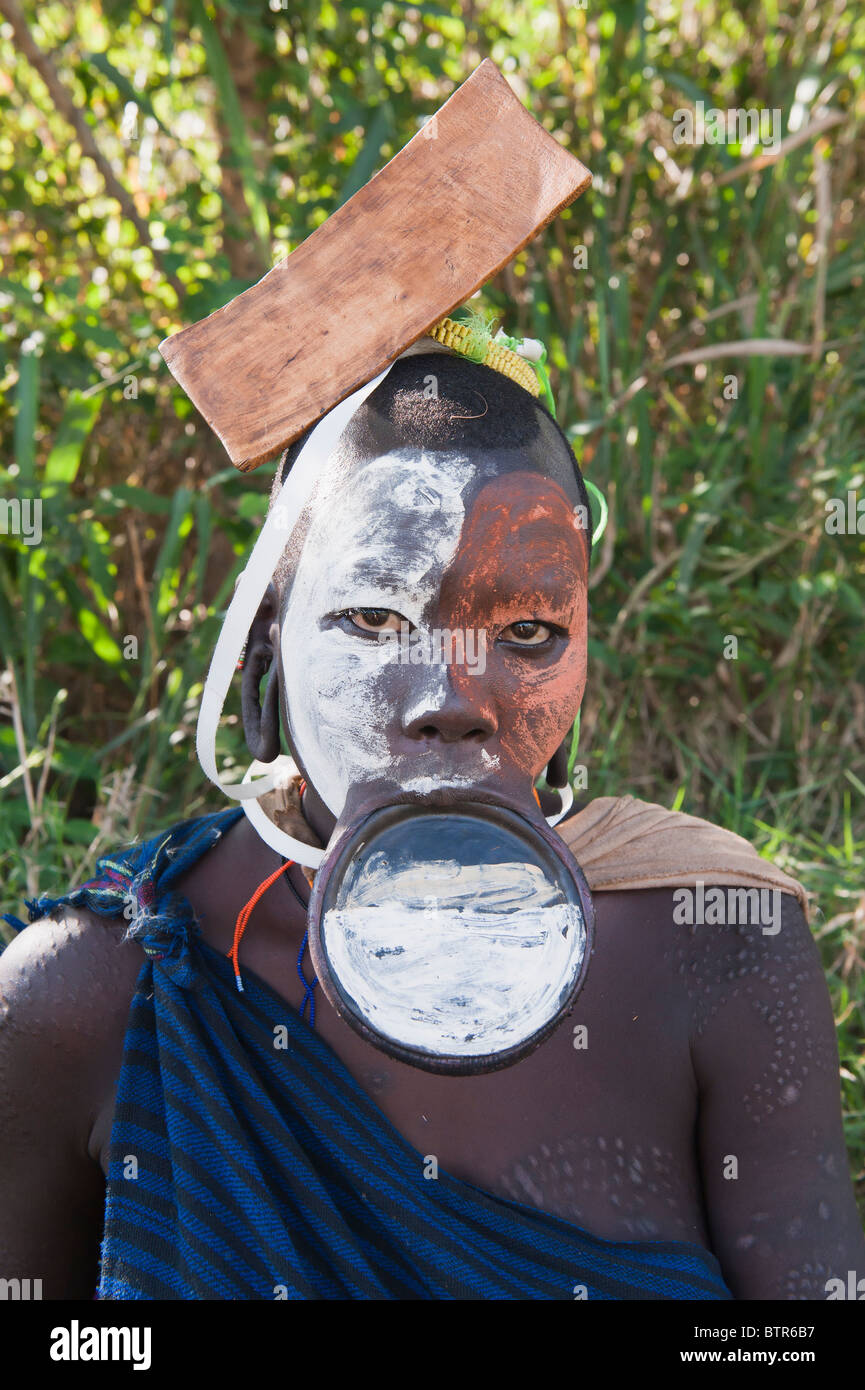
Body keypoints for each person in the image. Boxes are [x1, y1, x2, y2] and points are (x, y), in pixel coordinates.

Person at [2, 343, 863, 1300]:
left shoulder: (717, 937)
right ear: (261, 660)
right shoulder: (97, 992)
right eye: (375, 619)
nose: (450, 699)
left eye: (526, 632)